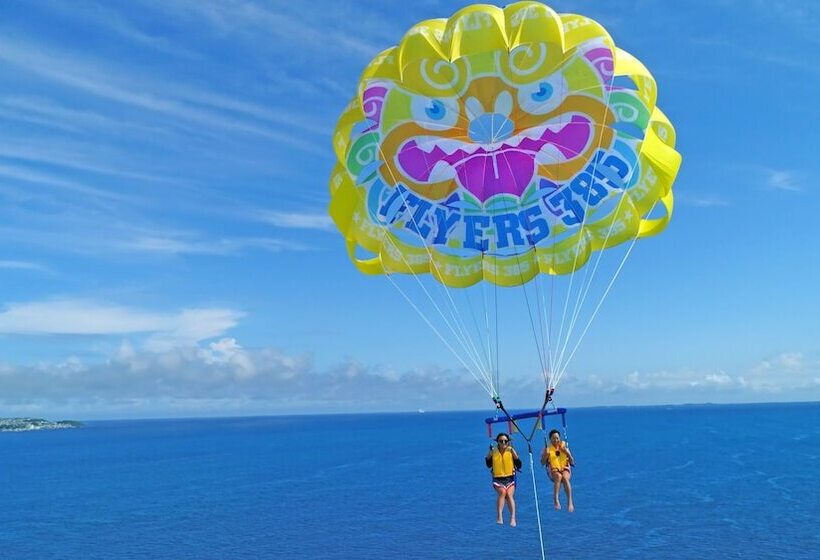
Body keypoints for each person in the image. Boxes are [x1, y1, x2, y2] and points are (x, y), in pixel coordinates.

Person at [485, 433, 522, 526]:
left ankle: (513, 518)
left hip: (510, 478)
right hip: (498, 479)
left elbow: (519, 465)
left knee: (509, 495)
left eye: (505, 441)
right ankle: (499, 516)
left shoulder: (511, 451)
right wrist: (489, 455)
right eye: (501, 441)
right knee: (502, 492)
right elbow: (488, 465)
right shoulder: (493, 452)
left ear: (508, 442)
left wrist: (514, 454)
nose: (503, 443)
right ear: (497, 442)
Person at [540, 429, 575, 512]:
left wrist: (567, 453)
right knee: (559, 476)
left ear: (560, 438)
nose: (556, 440)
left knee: (565, 478)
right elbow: (542, 463)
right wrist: (546, 455)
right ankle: (556, 499)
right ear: (550, 439)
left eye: (557, 438)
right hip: (553, 470)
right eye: (553, 438)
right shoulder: (547, 449)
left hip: (565, 467)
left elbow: (572, 462)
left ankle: (570, 502)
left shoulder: (564, 446)